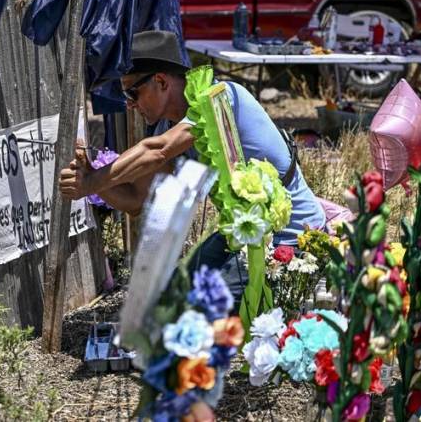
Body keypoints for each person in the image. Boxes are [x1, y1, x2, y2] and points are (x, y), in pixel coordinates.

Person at [59, 30, 325, 292]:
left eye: (132, 94)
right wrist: (92, 178)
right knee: (170, 296)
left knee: (199, 309)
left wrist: (92, 181)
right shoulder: (172, 126)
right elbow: (135, 201)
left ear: (162, 82)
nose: (129, 105)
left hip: (291, 238)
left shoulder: (219, 97)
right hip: (247, 233)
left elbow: (157, 150)